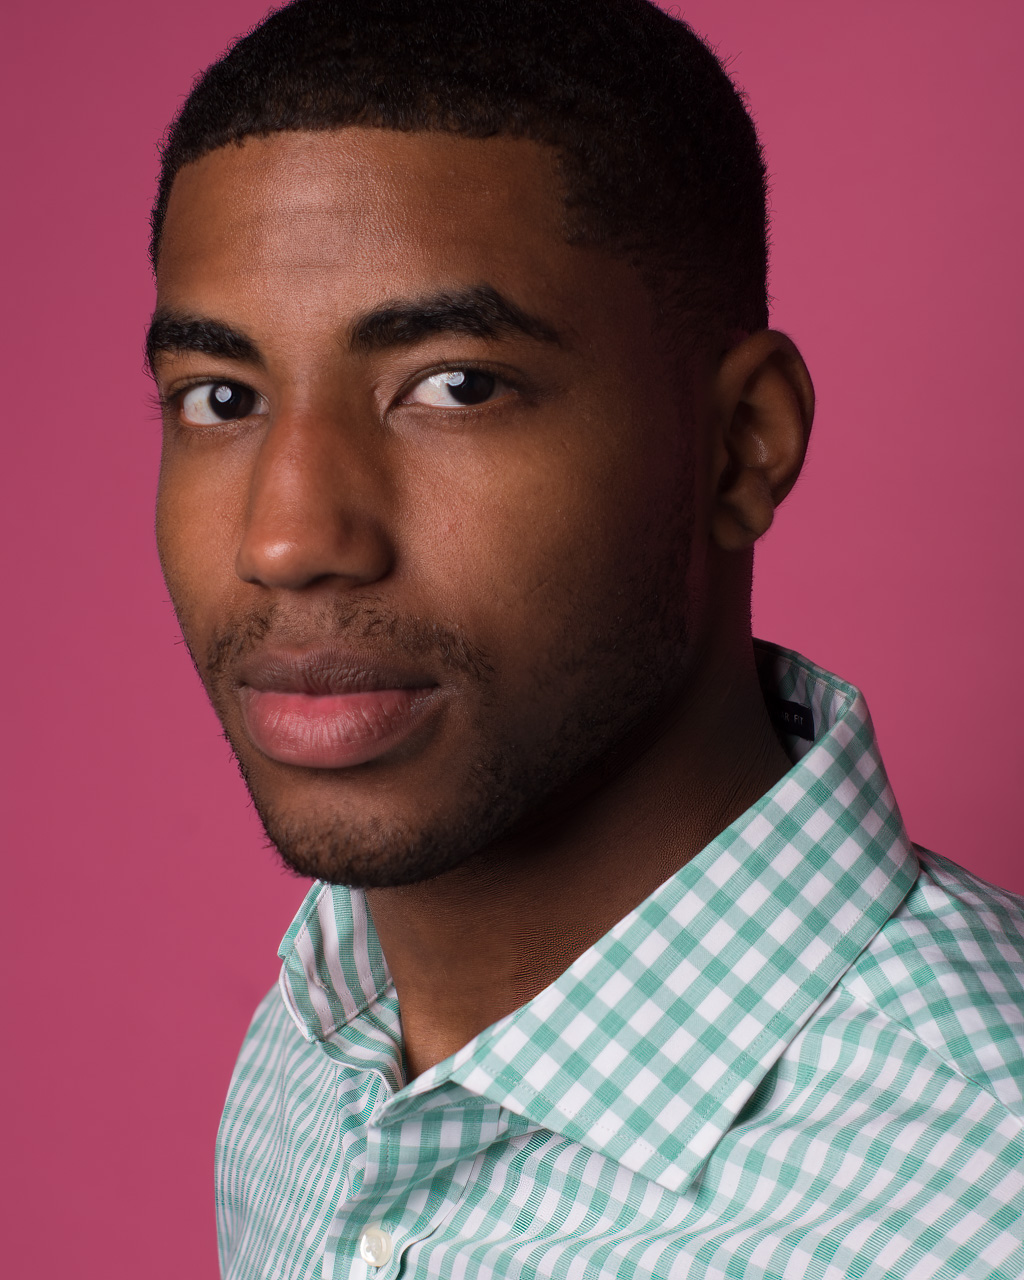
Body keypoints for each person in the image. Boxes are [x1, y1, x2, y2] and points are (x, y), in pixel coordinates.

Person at [146, 0, 1024, 1275]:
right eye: (220, 398)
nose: (287, 538)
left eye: (456, 383)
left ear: (742, 442)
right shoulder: (316, 1041)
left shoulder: (980, 1193)